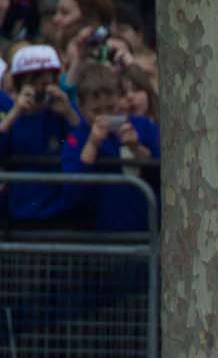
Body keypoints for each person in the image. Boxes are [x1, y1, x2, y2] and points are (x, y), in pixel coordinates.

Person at [60, 56, 155, 230]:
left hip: (142, 233)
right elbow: (72, 192)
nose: (104, 116)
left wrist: (136, 147)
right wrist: (92, 145)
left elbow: (160, 170)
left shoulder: (142, 126)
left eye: (111, 108)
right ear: (80, 107)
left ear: (119, 98)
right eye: (96, 111)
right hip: (98, 236)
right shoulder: (75, 138)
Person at [0, 42, 80, 224]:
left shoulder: (63, 112)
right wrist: (14, 115)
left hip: (60, 212)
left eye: (49, 80)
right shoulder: (11, 114)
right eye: (35, 81)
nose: (42, 88)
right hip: (18, 213)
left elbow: (77, 145)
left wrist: (69, 114)